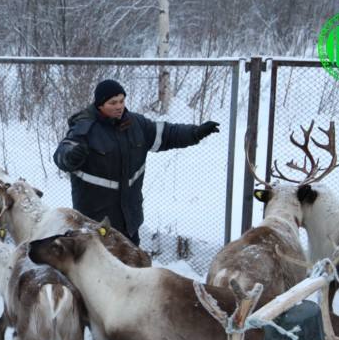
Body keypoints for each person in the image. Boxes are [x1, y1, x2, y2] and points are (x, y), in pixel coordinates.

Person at [53, 79, 220, 246]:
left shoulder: (136, 124)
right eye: (112, 102)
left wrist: (195, 133)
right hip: (97, 224)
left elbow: (168, 134)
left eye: (121, 101)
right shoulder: (85, 129)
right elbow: (62, 155)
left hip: (129, 221)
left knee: (133, 268)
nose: (119, 106)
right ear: (100, 105)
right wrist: (70, 156)